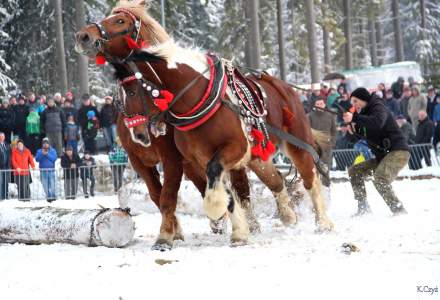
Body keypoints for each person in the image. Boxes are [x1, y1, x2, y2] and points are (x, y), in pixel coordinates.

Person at [343, 88, 409, 216]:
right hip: (383, 156)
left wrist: (355, 117)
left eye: (355, 101)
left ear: (363, 99)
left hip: (398, 151)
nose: (354, 104)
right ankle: (363, 207)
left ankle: (398, 210)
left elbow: (378, 122)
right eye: (352, 102)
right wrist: (353, 130)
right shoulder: (365, 113)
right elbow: (364, 135)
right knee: (354, 171)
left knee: (380, 178)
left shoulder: (378, 106)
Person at [308, 97, 337, 186]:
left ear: (324, 105)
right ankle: (315, 187)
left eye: (321, 104)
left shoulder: (330, 115)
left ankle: (326, 187)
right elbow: (308, 131)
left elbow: (334, 131)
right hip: (314, 147)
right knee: (314, 168)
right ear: (315, 106)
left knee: (325, 168)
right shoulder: (309, 116)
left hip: (327, 146)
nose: (320, 106)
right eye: (318, 104)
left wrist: (332, 143)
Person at [0, 132, 11, 200]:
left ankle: (5, 196)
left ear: (4, 137)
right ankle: (1, 197)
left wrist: (9, 165)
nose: (1, 138)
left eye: (2, 136)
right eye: (0, 136)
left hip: (6, 168)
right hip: (0, 168)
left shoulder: (7, 145)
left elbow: (9, 155)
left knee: (5, 182)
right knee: (0, 182)